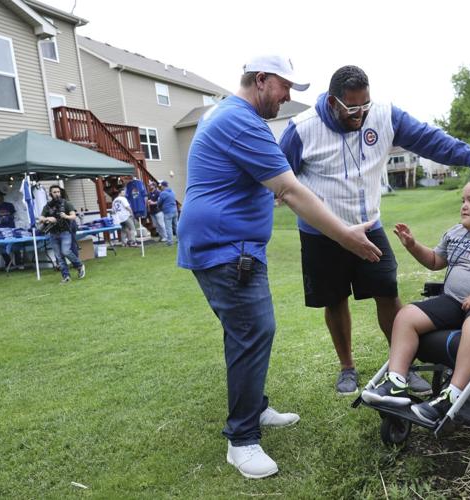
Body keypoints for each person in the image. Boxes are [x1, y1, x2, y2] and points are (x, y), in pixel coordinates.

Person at [177, 55, 382, 480]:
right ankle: (242, 440)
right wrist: (345, 235)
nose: (288, 97)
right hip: (225, 247)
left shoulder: (227, 113)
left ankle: (255, 406)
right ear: (261, 79)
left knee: (251, 331)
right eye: (285, 87)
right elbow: (289, 189)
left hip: (235, 246)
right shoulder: (242, 121)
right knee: (252, 332)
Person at [279, 65, 470, 395]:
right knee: (335, 300)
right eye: (352, 108)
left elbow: (430, 140)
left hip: (369, 225)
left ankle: (403, 364)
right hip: (321, 234)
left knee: (388, 292)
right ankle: (347, 368)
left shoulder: (384, 116)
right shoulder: (301, 130)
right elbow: (277, 178)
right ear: (332, 102)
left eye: (365, 105)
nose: (360, 114)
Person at [361, 174, 470, 426]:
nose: (463, 206)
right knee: (406, 315)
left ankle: (451, 395)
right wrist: (413, 246)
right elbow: (435, 261)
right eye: (462, 200)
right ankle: (395, 383)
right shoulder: (457, 233)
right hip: (456, 302)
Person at [39, 185, 85, 283]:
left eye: (58, 192)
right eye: (54, 192)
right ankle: (66, 277)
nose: (57, 194)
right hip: (53, 234)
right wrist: (48, 219)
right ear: (51, 194)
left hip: (65, 232)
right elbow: (40, 219)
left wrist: (65, 216)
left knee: (66, 251)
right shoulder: (47, 206)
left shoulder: (66, 203)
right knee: (59, 256)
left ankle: (79, 265)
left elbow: (73, 216)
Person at [157, 181, 178, 246]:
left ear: (163, 186)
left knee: (168, 227)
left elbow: (159, 202)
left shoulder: (163, 193)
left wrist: (159, 207)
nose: (160, 187)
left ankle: (170, 242)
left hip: (167, 212)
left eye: (161, 186)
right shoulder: (172, 192)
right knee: (176, 226)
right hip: (175, 210)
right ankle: (179, 240)